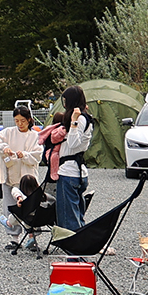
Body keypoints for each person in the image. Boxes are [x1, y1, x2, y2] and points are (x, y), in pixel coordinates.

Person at [54, 84, 94, 231]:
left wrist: (74, 121)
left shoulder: (80, 118)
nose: (64, 104)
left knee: (69, 217)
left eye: (65, 100)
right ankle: (81, 246)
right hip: (77, 171)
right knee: (77, 214)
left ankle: (75, 249)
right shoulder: (84, 116)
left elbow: (72, 143)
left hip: (70, 172)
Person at [0, 103, 43, 195]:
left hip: (28, 179)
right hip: (10, 176)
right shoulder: (8, 132)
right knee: (10, 206)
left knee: (27, 205)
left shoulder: (35, 136)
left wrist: (24, 155)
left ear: (29, 120)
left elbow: (37, 156)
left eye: (23, 120)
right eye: (17, 121)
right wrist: (4, 148)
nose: (20, 124)